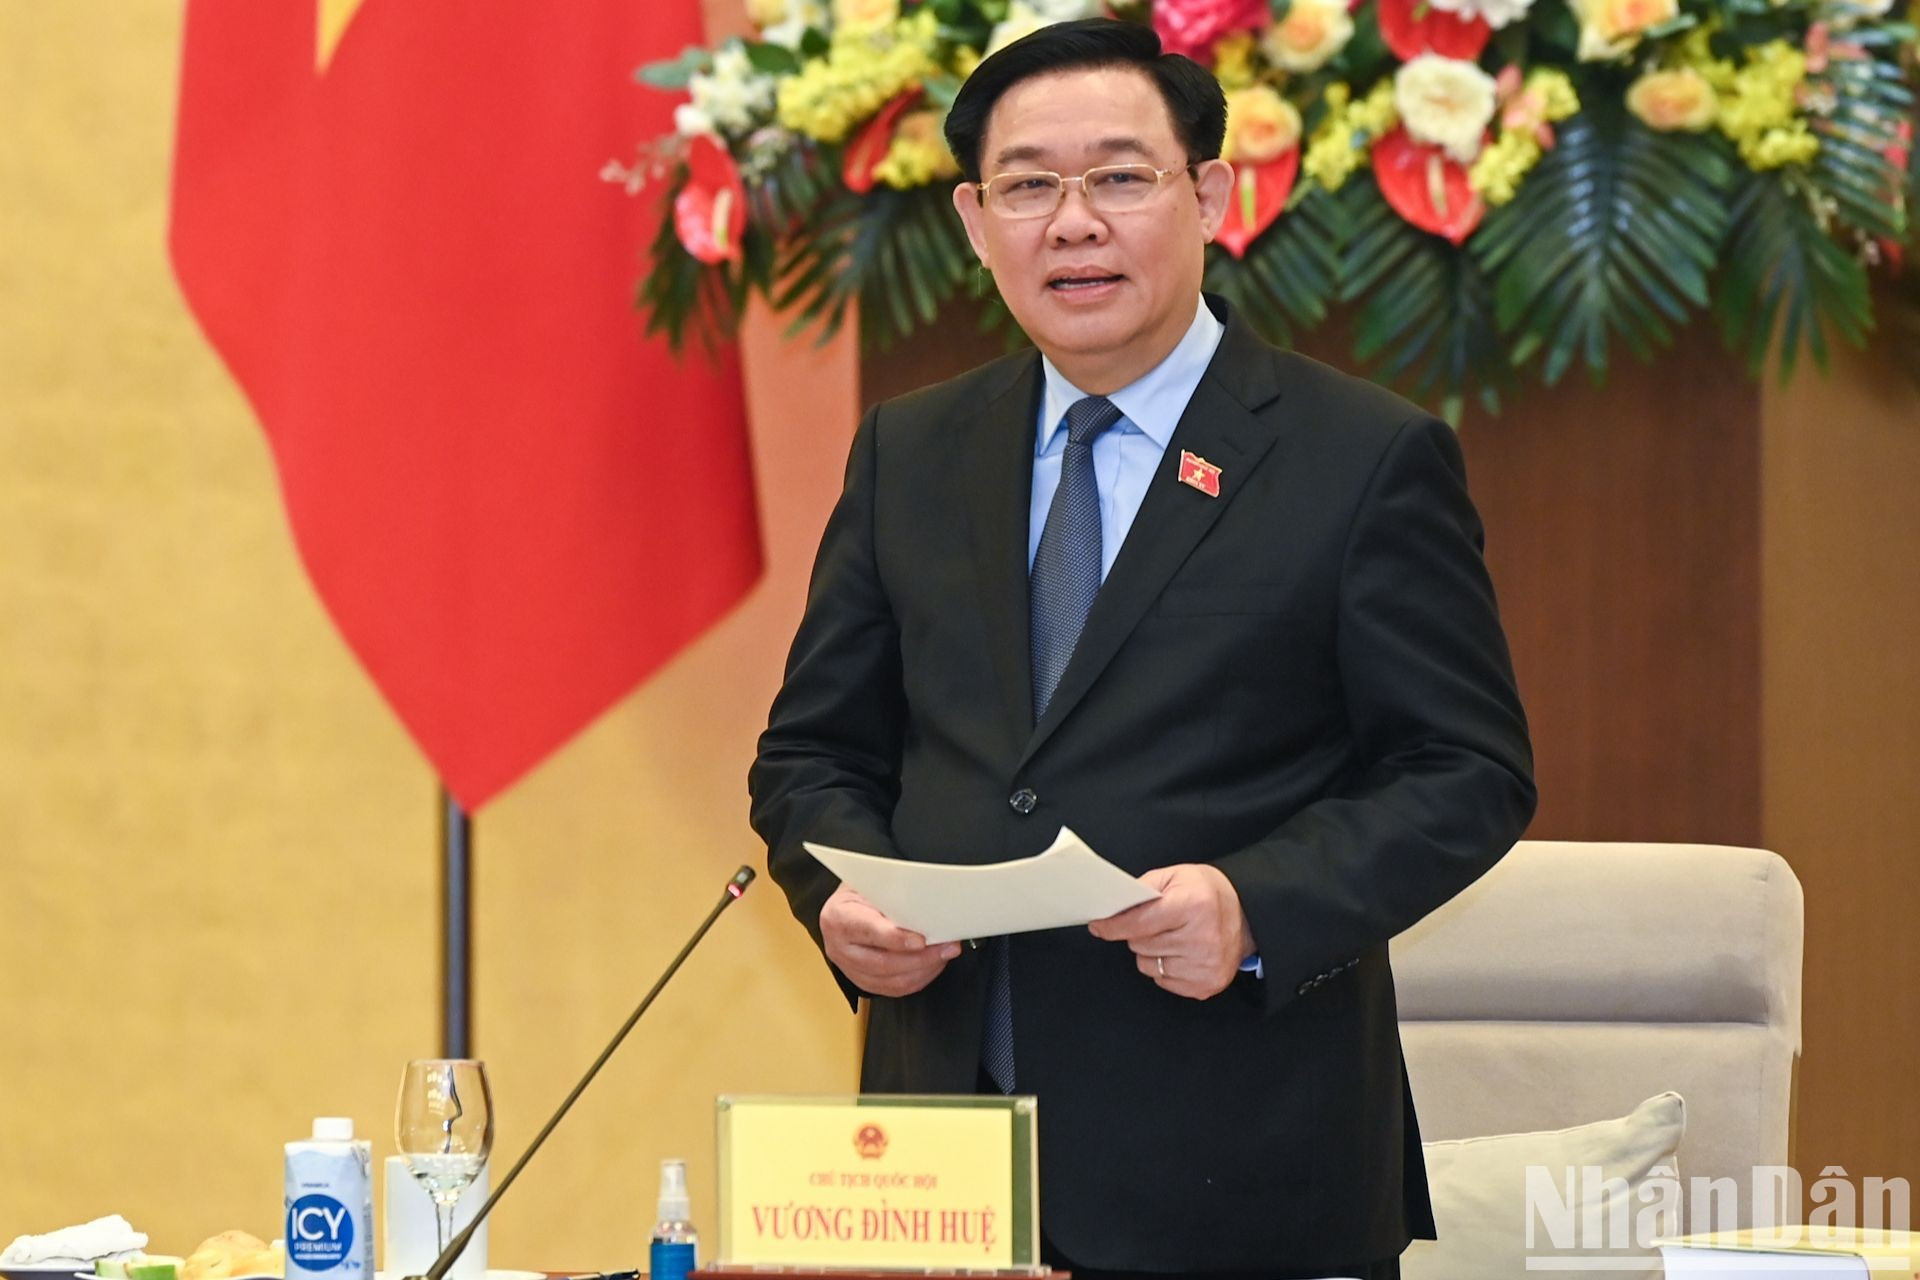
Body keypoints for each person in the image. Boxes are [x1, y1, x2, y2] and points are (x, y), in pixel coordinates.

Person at [748, 18, 1536, 1280]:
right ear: (974, 222)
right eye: (1027, 187)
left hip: (1241, 1167)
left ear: (1210, 196)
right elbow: (813, 754)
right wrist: (840, 895)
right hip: (938, 1177)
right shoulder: (912, 450)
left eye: (1119, 176)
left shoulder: (1360, 457)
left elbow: (1466, 771)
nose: (1073, 224)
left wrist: (1255, 904)